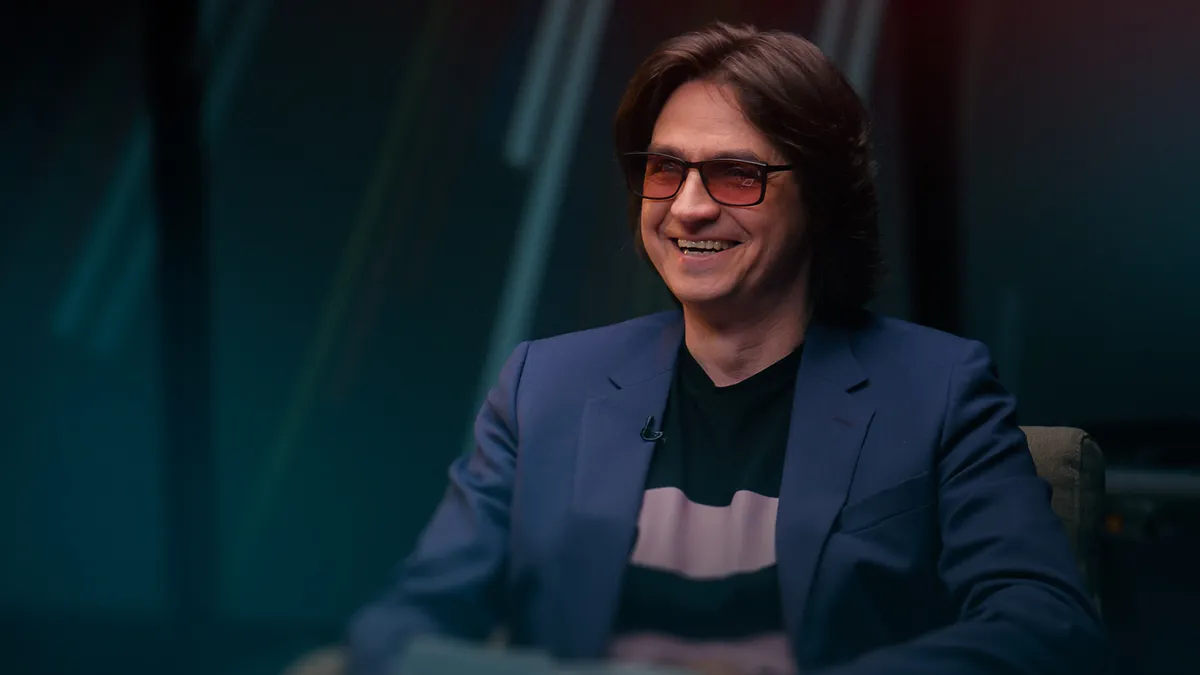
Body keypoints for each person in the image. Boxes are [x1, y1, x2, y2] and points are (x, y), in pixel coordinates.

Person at [347, 22, 1107, 675]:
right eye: (665, 170)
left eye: (736, 175)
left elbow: (1046, 624)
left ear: (821, 197)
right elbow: (406, 624)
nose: (687, 207)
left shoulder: (940, 387)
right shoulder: (543, 384)